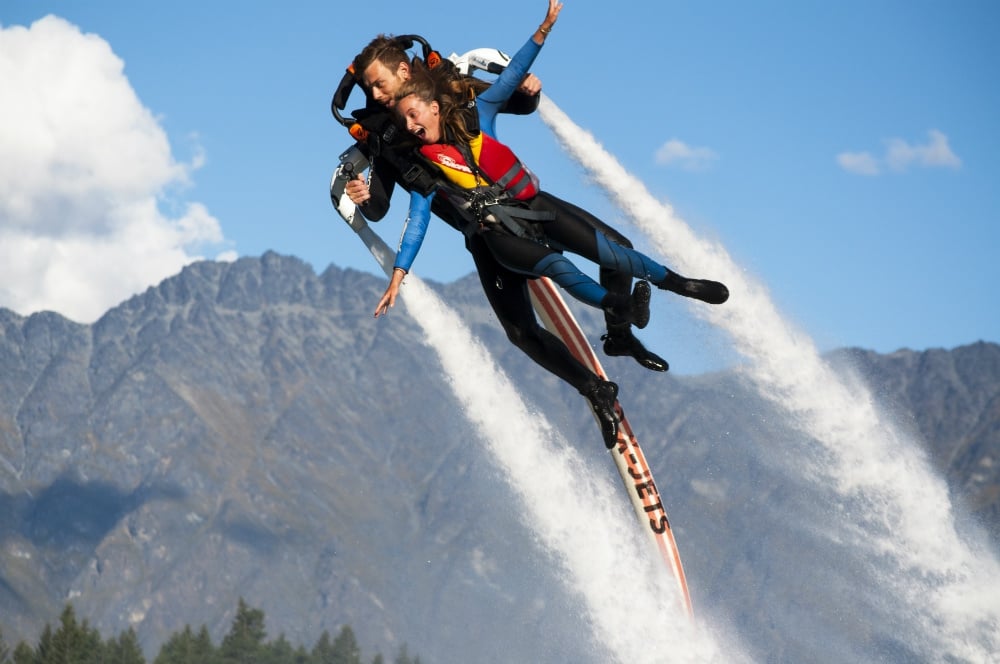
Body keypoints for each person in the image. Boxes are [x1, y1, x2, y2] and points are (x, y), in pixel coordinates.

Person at [379, 0, 728, 376]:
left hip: (536, 206)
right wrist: (399, 275)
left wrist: (543, 28)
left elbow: (512, 75)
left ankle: (677, 284)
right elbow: (417, 219)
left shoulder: (478, 111)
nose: (412, 125)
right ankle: (621, 308)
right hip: (500, 233)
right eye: (404, 121)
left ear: (434, 106)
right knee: (562, 269)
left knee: (613, 253)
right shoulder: (425, 164)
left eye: (414, 113)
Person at [341, 29, 634, 447]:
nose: (373, 94)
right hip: (483, 233)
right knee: (521, 333)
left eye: (378, 83)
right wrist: (364, 197)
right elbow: (381, 206)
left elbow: (513, 101)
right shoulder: (385, 137)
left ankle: (619, 334)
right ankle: (597, 392)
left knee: (618, 252)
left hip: (526, 204)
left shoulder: (451, 88)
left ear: (404, 71)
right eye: (369, 87)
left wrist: (530, 91)